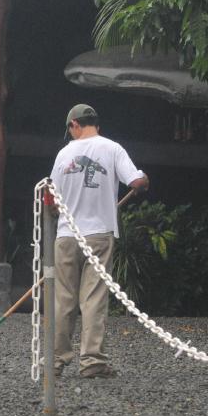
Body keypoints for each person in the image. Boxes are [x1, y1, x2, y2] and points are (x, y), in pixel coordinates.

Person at [50, 103, 149, 379]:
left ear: (74, 125)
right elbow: (136, 182)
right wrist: (145, 179)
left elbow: (51, 200)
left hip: (67, 234)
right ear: (96, 124)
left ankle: (56, 361)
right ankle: (92, 362)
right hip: (99, 234)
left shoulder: (63, 154)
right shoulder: (112, 148)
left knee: (63, 299)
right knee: (93, 298)